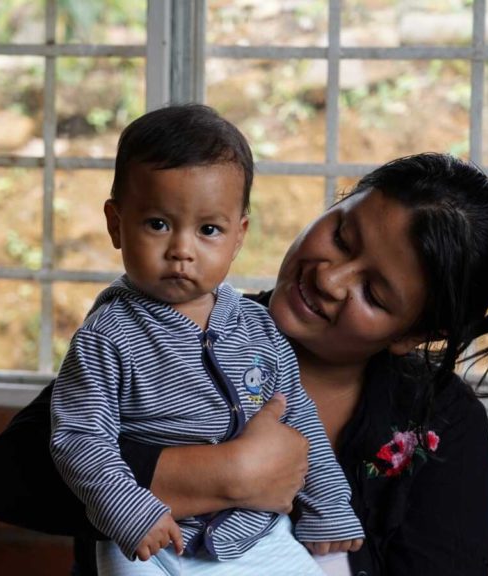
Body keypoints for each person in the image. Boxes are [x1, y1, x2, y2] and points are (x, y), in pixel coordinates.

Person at [0, 152, 488, 576]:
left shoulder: (440, 420)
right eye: (342, 234)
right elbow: (6, 480)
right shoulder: (165, 325)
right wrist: (229, 474)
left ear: (415, 335)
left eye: (375, 295)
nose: (329, 277)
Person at [48, 103, 364, 575]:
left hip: (254, 533)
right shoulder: (106, 338)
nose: (181, 249)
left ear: (238, 237)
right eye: (157, 223)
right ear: (116, 224)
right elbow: (77, 439)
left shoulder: (257, 327)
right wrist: (130, 511)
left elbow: (299, 421)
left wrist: (329, 504)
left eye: (208, 230)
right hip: (152, 537)